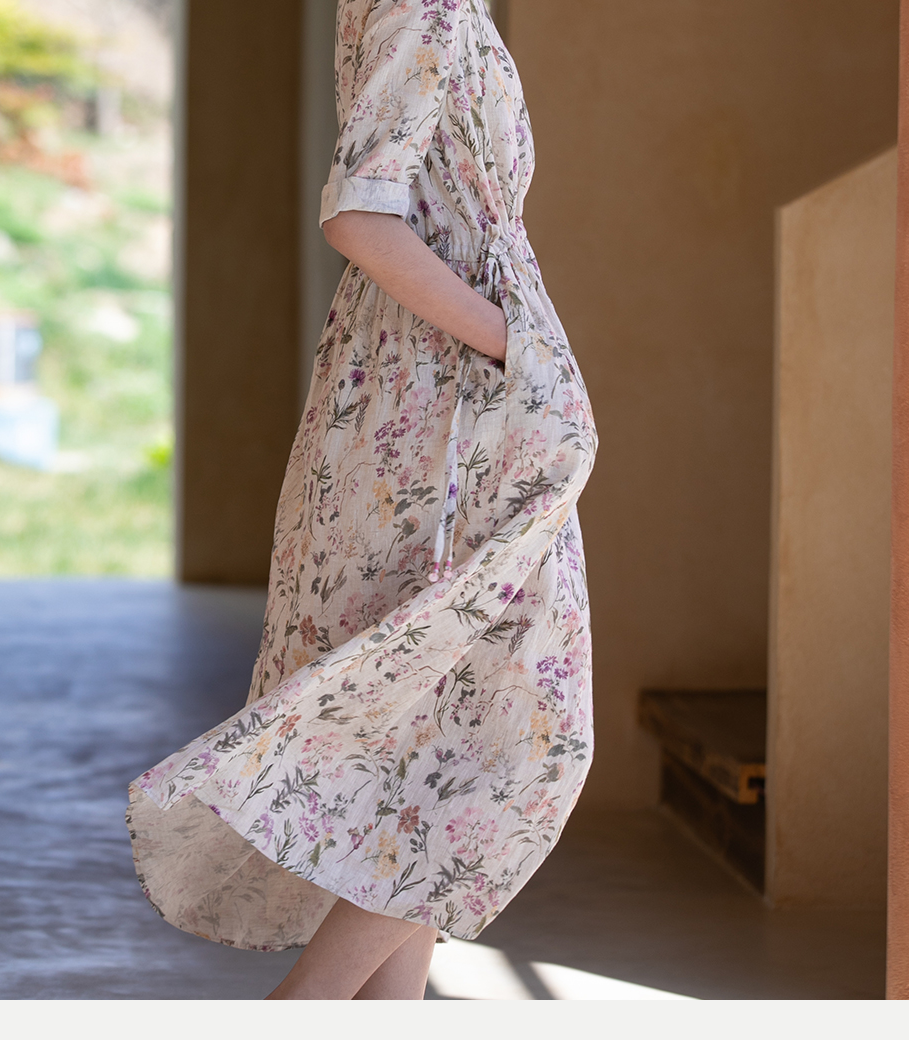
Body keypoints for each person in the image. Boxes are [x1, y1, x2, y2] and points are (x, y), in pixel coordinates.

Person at [127, 0, 597, 999]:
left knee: (430, 746)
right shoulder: (423, 6)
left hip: (435, 405)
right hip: (452, 423)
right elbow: (360, 214)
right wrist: (517, 349)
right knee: (502, 758)